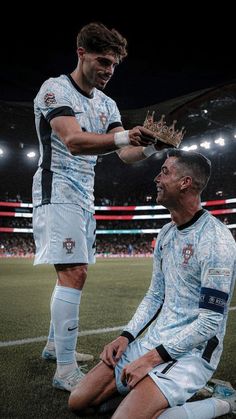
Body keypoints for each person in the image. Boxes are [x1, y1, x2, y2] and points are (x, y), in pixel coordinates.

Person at [32, 22, 167, 392]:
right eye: (103, 62)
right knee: (74, 274)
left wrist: (154, 145)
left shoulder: (107, 103)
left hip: (83, 198)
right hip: (56, 192)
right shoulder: (54, 89)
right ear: (81, 53)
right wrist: (123, 135)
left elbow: (124, 154)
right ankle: (64, 370)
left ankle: (51, 346)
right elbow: (73, 140)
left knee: (71, 274)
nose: (108, 71)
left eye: (113, 66)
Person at [68, 149, 236, 418]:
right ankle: (151, 402)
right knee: (79, 402)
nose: (157, 178)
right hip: (156, 340)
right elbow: (155, 295)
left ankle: (224, 402)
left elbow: (209, 323)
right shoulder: (167, 233)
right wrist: (126, 336)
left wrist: (149, 359)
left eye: (165, 172)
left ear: (185, 183)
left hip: (192, 352)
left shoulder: (216, 240)